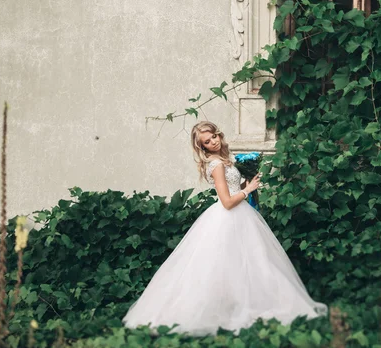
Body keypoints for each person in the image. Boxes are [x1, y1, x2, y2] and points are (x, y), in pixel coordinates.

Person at [122, 121, 326, 336]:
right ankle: (217, 309)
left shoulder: (225, 159)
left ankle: (242, 302)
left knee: (249, 261)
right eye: (207, 142)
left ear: (219, 134)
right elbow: (227, 202)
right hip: (228, 215)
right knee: (222, 264)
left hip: (243, 214)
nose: (213, 142)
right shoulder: (216, 165)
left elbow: (233, 189)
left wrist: (246, 183)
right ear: (202, 147)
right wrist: (248, 190)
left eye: (214, 137)